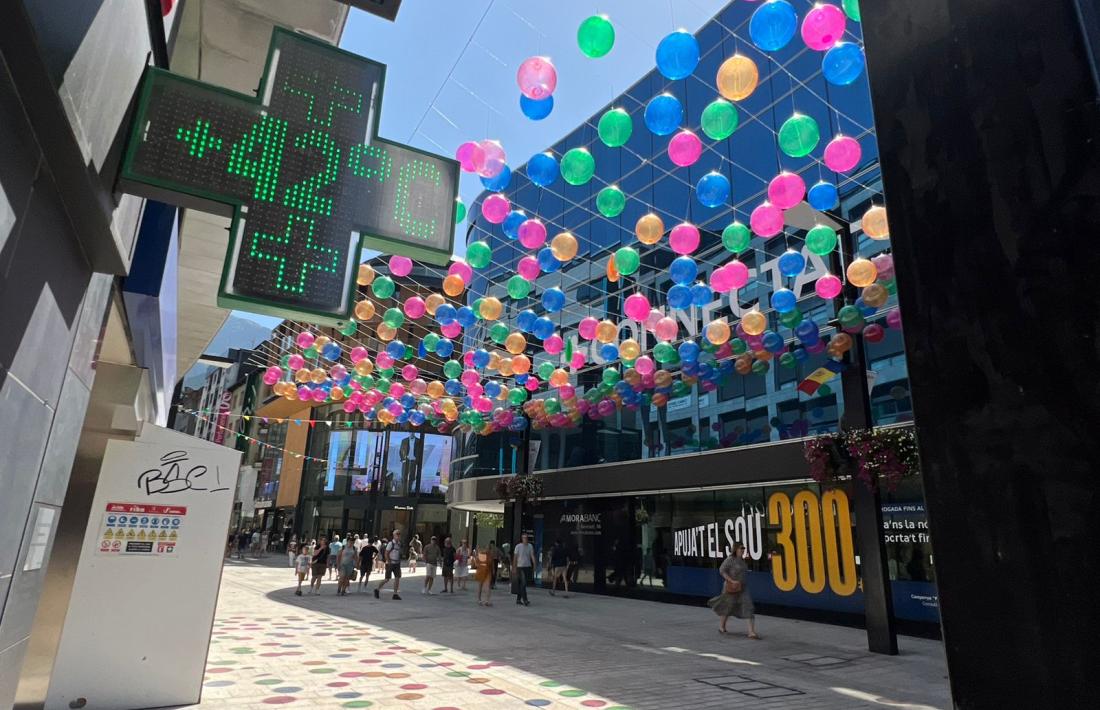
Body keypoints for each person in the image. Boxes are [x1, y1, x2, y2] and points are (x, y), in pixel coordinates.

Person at [708, 542, 759, 639]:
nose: (743, 550)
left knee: (748, 606)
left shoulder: (742, 560)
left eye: (744, 548)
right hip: (731, 587)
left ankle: (751, 632)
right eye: (741, 548)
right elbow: (722, 570)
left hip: (742, 587)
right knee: (727, 607)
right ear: (736, 549)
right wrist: (731, 580)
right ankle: (722, 626)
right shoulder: (730, 560)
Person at [374, 529, 404, 600]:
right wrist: (388, 561)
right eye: (397, 534)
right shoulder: (391, 543)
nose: (399, 536)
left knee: (397, 578)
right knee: (387, 579)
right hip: (390, 563)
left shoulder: (399, 543)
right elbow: (386, 553)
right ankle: (377, 589)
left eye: (399, 534)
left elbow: (399, 552)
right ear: (394, 535)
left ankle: (395, 594)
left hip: (397, 563)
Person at [512, 533, 535, 606]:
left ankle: (518, 599)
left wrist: (535, 564)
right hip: (520, 567)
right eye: (524, 538)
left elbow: (532, 555)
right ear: (522, 539)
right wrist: (514, 568)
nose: (525, 539)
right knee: (523, 583)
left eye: (526, 538)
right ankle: (525, 600)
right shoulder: (518, 546)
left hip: (527, 566)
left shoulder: (530, 546)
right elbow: (515, 558)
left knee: (521, 584)